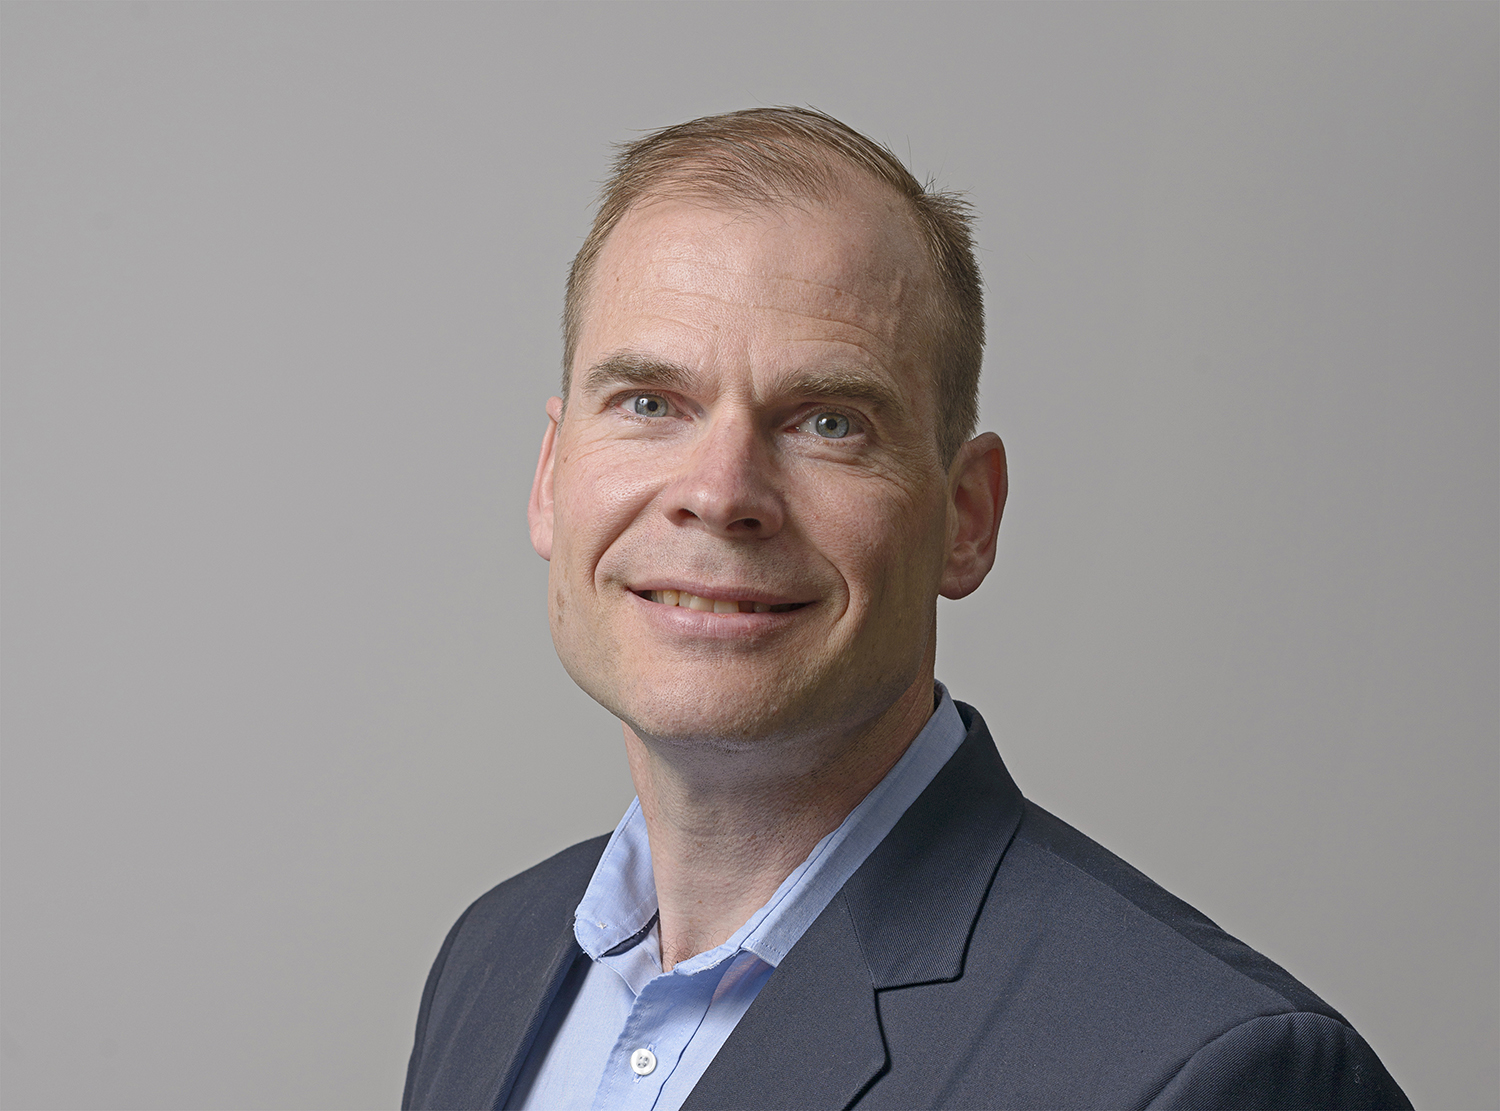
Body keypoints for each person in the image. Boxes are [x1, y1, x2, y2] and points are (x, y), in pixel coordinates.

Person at [403, 107, 1410, 1111]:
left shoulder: (1215, 1071)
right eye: (649, 403)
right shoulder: (491, 957)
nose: (718, 492)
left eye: (828, 421)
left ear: (967, 517)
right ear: (551, 475)